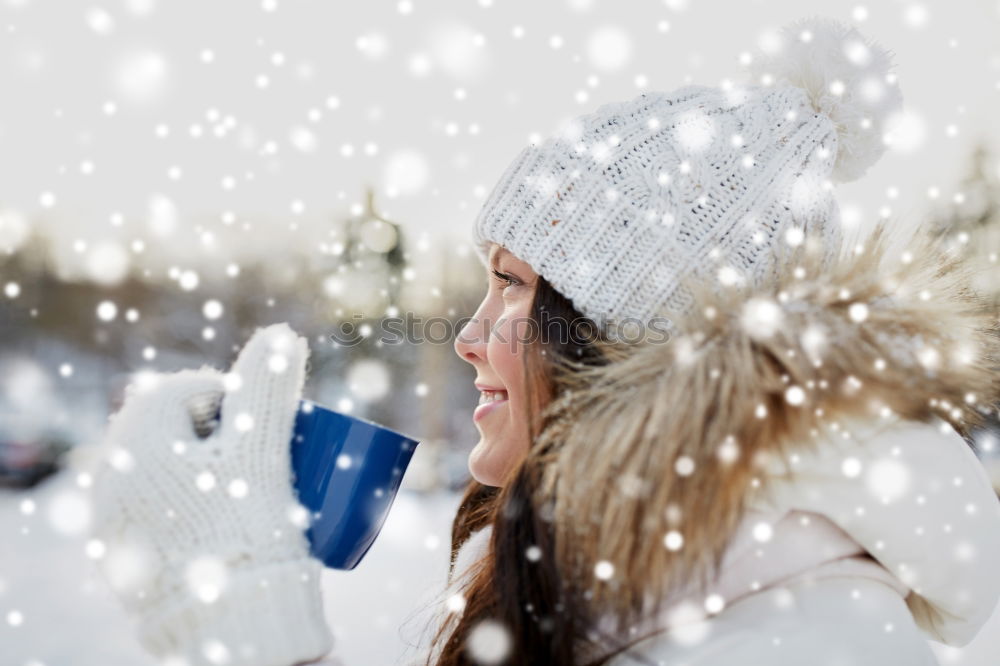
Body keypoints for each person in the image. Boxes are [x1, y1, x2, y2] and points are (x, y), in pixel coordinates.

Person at [90, 16, 1000, 666]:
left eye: (514, 285)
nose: (470, 338)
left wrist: (252, 631)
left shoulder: (794, 637)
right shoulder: (646, 584)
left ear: (641, 339)